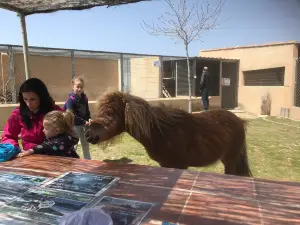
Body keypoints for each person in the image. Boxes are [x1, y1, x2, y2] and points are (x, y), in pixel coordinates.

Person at [1, 78, 62, 150]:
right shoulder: (18, 114)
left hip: (53, 154)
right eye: (25, 99)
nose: (28, 104)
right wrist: (14, 149)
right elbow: (8, 136)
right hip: (29, 156)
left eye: (33, 99)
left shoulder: (55, 112)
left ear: (42, 97)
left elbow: (68, 136)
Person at [64, 77, 92, 160]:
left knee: (85, 143)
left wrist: (89, 118)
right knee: (74, 144)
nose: (79, 89)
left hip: (84, 125)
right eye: (77, 86)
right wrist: (83, 121)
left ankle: (88, 161)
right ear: (73, 86)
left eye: (81, 87)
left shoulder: (85, 98)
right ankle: (72, 160)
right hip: (75, 126)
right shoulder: (70, 100)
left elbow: (87, 111)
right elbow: (72, 114)